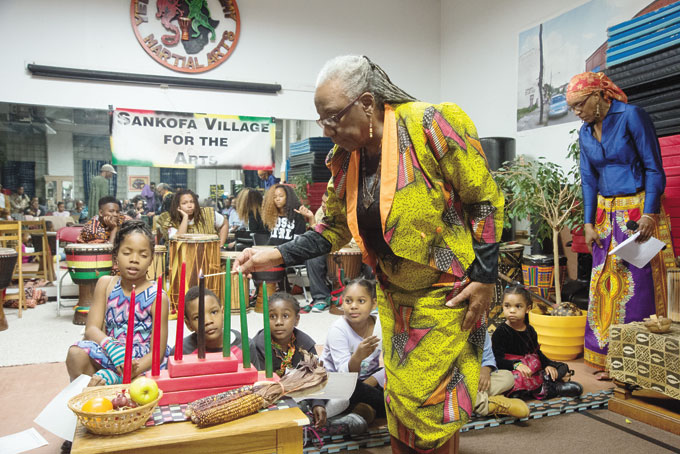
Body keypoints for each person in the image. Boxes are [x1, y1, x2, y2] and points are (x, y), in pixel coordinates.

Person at [234, 55, 503, 453]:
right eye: (320, 120)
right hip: (394, 299)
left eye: (332, 117)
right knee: (401, 402)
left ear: (365, 103)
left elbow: (484, 199)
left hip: (448, 292)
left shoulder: (430, 123)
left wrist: (484, 276)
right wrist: (274, 254)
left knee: (427, 402)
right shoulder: (345, 159)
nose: (327, 129)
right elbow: (331, 230)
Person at [566, 72, 675, 371]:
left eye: (580, 104)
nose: (577, 112)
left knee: (637, 285)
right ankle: (604, 355)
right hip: (604, 215)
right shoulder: (585, 133)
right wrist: (588, 222)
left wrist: (650, 213)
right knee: (603, 283)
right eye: (572, 107)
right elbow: (589, 179)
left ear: (600, 96)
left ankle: (634, 360)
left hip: (638, 211)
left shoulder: (632, 116)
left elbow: (654, 168)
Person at [65, 221, 170, 386]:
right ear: (115, 255)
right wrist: (111, 346)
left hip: (141, 362)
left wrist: (131, 369)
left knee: (146, 382)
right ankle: (104, 384)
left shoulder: (157, 296)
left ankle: (113, 381)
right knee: (75, 354)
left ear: (151, 260)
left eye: (143, 255)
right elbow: (91, 329)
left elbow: (157, 353)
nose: (134, 260)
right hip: (110, 352)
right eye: (127, 253)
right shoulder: (106, 284)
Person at [492, 285, 583, 400]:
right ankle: (552, 387)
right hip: (514, 370)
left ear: (528, 308)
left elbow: (536, 353)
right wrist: (517, 365)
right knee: (514, 378)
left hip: (533, 368)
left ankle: (543, 383)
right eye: (507, 306)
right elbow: (497, 360)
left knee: (562, 367)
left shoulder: (530, 330)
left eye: (518, 306)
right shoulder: (500, 332)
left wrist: (547, 365)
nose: (512, 310)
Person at [320, 279, 385, 419]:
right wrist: (357, 357)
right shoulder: (338, 329)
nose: (353, 306)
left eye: (361, 301)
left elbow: (392, 364)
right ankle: (377, 408)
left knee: (395, 378)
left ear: (374, 303)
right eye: (348, 301)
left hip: (368, 381)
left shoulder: (381, 325)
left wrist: (372, 380)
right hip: (338, 382)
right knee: (353, 393)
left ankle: (363, 410)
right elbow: (344, 376)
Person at [170, 286, 243, 360]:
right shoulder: (181, 352)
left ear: (223, 312)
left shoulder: (244, 347)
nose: (208, 321)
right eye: (198, 317)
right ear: (188, 325)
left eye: (214, 312)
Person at [474, 331, 529, 418]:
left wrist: (486, 369)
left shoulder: (480, 330)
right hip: (455, 383)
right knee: (455, 391)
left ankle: (477, 399)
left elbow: (488, 358)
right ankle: (490, 406)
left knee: (507, 377)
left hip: (476, 381)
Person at [156, 189, 228, 245]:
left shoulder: (207, 213)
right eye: (184, 203)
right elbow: (178, 240)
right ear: (177, 206)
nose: (189, 205)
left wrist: (220, 245)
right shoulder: (170, 220)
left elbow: (224, 223)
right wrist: (185, 218)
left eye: (192, 202)